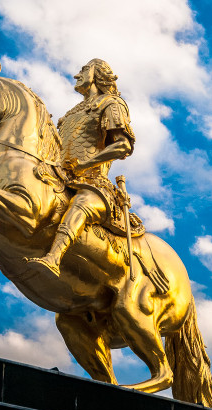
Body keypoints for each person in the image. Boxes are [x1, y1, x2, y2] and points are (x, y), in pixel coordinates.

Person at [26, 58, 135, 277]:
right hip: (61, 176)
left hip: (93, 183)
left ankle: (54, 258)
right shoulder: (71, 113)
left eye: (84, 69)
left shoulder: (111, 103)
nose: (78, 75)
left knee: (81, 204)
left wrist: (85, 164)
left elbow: (123, 145)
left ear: (98, 75)